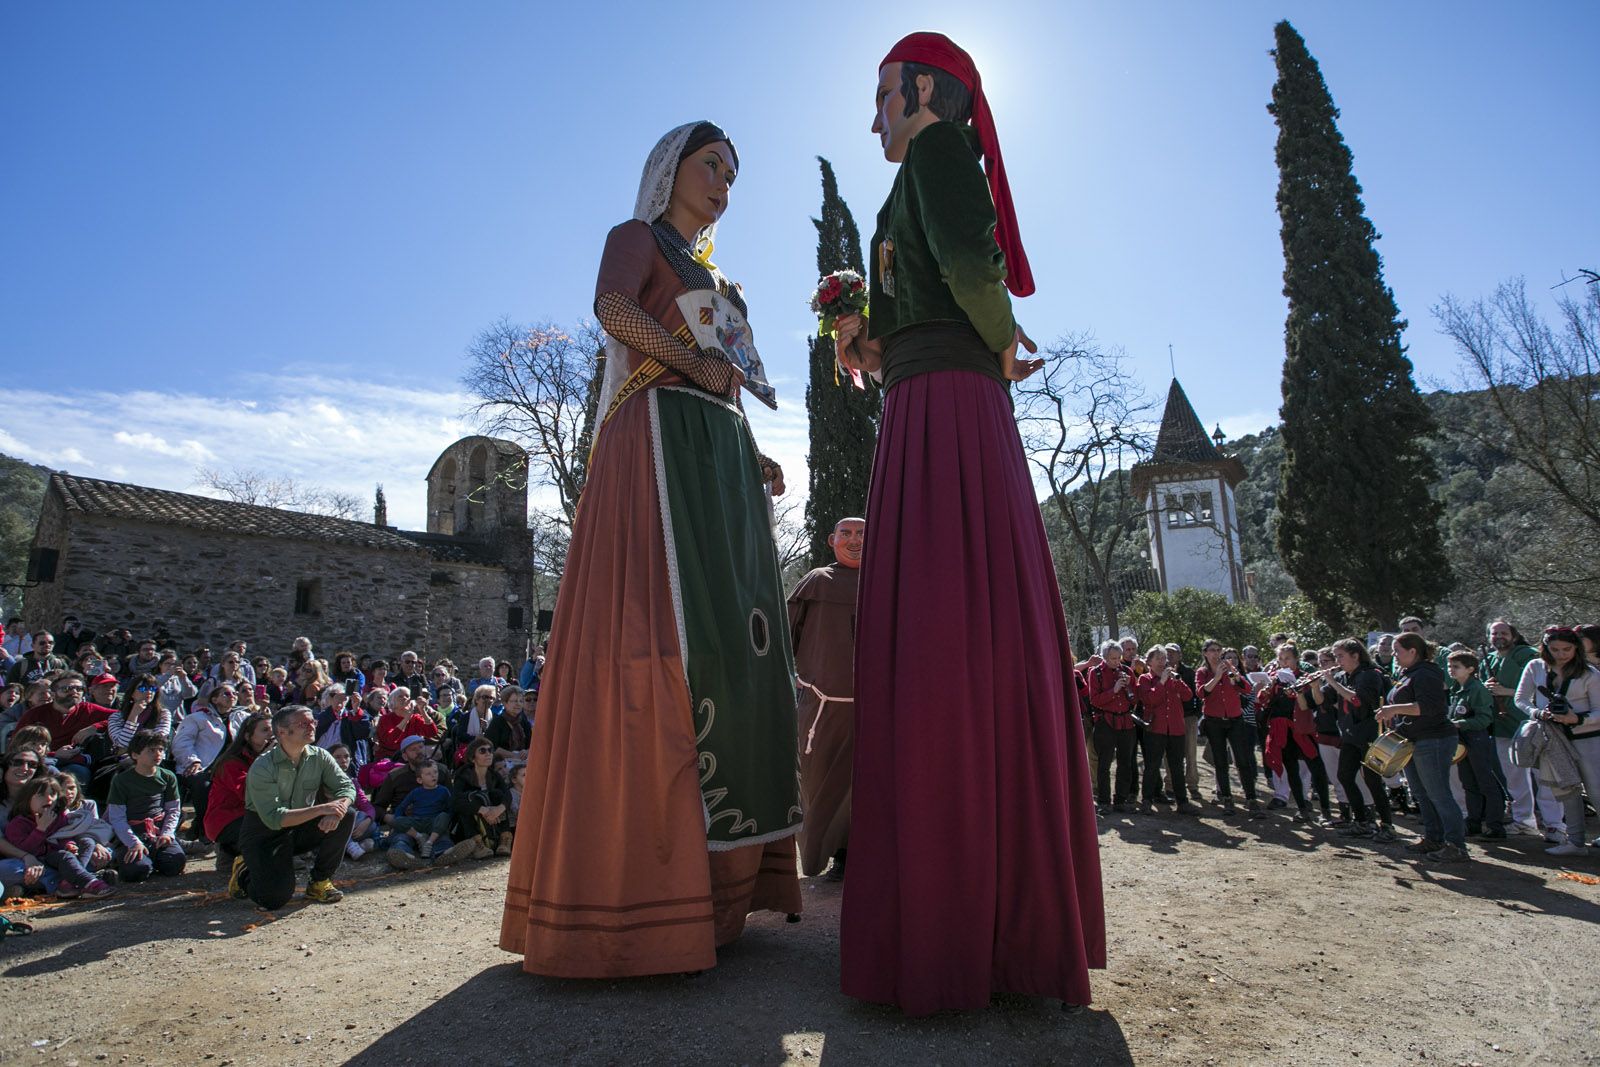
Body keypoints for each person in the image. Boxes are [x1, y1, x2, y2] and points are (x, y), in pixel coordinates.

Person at [831, 35, 1104, 1014]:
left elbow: (965, 262)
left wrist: (1001, 343)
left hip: (947, 406)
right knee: (952, 637)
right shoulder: (904, 183)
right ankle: (982, 913)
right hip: (923, 400)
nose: (873, 117)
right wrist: (866, 339)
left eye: (881, 97)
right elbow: (929, 282)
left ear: (925, 93)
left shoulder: (942, 153)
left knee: (944, 642)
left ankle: (963, 924)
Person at [500, 119, 803, 981]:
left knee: (731, 654)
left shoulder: (726, 279)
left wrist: (753, 447)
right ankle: (641, 895)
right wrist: (683, 359)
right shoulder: (635, 238)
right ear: (671, 167)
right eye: (714, 165)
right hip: (657, 440)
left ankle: (727, 886)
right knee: (665, 644)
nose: (725, 184)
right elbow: (609, 309)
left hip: (718, 455)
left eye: (735, 173)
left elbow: (732, 379)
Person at [787, 516, 864, 879]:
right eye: (845, 533)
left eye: (862, 533)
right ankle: (825, 854)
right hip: (821, 708)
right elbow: (786, 635)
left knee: (867, 784)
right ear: (831, 540)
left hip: (874, 711)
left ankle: (855, 857)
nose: (854, 540)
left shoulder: (886, 581)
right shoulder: (816, 581)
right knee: (818, 783)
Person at [237, 705, 355, 907]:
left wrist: (337, 809)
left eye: (312, 722)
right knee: (273, 899)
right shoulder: (263, 766)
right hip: (265, 832)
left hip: (300, 826)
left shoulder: (320, 756)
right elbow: (274, 818)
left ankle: (319, 881)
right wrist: (322, 809)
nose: (311, 727)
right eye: (303, 723)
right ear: (282, 732)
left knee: (347, 814)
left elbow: (346, 787)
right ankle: (244, 873)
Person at [1376, 633, 1465, 863]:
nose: (1394, 655)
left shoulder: (1426, 673)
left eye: (1397, 651)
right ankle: (1434, 838)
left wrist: (1393, 709)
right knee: (1421, 793)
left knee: (1439, 794)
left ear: (1413, 651)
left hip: (1433, 739)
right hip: (1414, 740)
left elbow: (1430, 707)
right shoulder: (1409, 673)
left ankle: (1456, 845)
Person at [1514, 626, 1600, 856]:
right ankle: (1575, 842)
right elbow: (1520, 699)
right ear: (1545, 648)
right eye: (1554, 649)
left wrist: (1576, 718)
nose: (1561, 654)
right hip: (1552, 739)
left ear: (1577, 648)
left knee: (1596, 790)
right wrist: (1538, 713)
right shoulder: (1535, 667)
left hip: (1588, 740)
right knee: (1566, 790)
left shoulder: (1589, 674)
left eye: (1567, 649)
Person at [1480, 620, 1553, 838]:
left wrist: (1507, 691)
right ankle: (1524, 821)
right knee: (1514, 777)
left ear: (1513, 634)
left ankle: (1553, 824)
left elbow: (1539, 686)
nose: (1499, 636)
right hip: (1502, 726)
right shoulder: (1489, 659)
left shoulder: (1526, 654)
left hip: (1528, 724)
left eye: (1503, 632)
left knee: (1543, 776)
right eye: (1494, 633)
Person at [3, 776, 115, 898]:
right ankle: (89, 881)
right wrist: (40, 829)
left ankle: (69, 884)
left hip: (63, 858)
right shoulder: (18, 823)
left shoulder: (59, 816)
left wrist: (69, 844)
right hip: (37, 861)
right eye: (41, 795)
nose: (48, 799)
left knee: (93, 847)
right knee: (8, 868)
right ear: (27, 798)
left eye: (53, 794)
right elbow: (26, 850)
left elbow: (65, 834)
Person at [106, 729, 187, 881]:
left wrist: (167, 833)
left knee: (175, 863)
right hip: (133, 832)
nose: (158, 754)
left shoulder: (167, 777)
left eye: (161, 750)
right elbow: (117, 817)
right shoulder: (122, 780)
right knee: (136, 871)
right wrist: (133, 843)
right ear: (135, 755)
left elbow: (173, 810)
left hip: (157, 831)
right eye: (151, 751)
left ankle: (157, 855)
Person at [1445, 650, 1508, 839]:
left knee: (1487, 783)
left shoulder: (1477, 689)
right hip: (1462, 741)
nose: (1451, 670)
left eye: (1456, 666)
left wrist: (1459, 723)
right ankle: (1474, 821)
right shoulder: (1457, 688)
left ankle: (1495, 825)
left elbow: (1484, 718)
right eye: (1450, 666)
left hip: (1477, 739)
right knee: (1468, 782)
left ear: (1471, 669)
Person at [1196, 640, 1261, 815]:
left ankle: (1251, 798)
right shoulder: (1203, 672)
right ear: (1205, 653)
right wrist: (1217, 676)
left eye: (1219, 650)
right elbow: (1202, 693)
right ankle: (1226, 797)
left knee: (1243, 759)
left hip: (1235, 719)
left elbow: (1247, 689)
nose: (1216, 653)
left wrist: (1236, 677)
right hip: (1214, 720)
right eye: (1212, 650)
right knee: (1220, 761)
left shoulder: (1230, 668)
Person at [16, 672, 113, 786]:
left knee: (79, 773)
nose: (74, 692)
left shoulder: (90, 710)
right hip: (41, 761)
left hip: (74, 763)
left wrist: (95, 727)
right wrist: (54, 754)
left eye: (79, 689)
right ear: (53, 693)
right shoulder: (34, 715)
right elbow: (16, 747)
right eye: (67, 688)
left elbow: (123, 716)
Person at [205, 711, 272, 869]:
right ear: (248, 737)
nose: (271, 735)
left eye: (274, 730)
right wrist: (263, 761)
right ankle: (229, 851)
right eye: (265, 730)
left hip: (254, 814)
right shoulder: (231, 763)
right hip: (227, 819)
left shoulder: (275, 759)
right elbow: (248, 794)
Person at [1136, 646, 1195, 814]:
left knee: (1177, 767)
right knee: (1152, 765)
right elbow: (1150, 700)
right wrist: (1161, 682)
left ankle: (1182, 801)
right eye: (1159, 659)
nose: (1163, 662)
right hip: (1156, 729)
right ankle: (1147, 800)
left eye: (1164, 659)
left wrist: (1177, 681)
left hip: (1176, 728)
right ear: (1149, 662)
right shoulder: (1145, 679)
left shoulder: (1173, 678)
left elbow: (1188, 696)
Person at [1087, 642, 1138, 813]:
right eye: (1113, 659)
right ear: (1104, 657)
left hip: (1125, 722)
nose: (1117, 662)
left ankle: (1120, 800)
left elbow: (1134, 700)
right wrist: (1114, 690)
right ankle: (1104, 801)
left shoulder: (1127, 671)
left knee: (1126, 763)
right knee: (1104, 764)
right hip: (1105, 722)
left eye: (1118, 658)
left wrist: (1130, 686)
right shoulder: (1096, 673)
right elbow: (1094, 700)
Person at [452, 736, 511, 858]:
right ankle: (477, 844)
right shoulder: (463, 775)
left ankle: (504, 840)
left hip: (494, 820)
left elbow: (507, 795)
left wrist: (498, 809)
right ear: (473, 758)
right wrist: (482, 810)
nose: (488, 754)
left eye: (490, 750)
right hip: (471, 822)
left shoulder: (494, 775)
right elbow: (455, 801)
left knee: (498, 795)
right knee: (469, 799)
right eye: (482, 751)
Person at [391, 760, 452, 860]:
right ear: (420, 780)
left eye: (435, 772)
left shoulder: (443, 791)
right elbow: (402, 807)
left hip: (433, 822)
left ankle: (430, 843)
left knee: (444, 816)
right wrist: (397, 820)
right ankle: (420, 837)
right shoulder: (416, 792)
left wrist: (446, 823)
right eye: (428, 774)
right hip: (417, 822)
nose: (433, 776)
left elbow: (450, 808)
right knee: (397, 820)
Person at [375, 688, 440, 761]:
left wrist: (423, 711)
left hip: (413, 757)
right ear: (393, 702)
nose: (404, 698)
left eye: (407, 696)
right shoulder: (385, 719)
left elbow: (432, 732)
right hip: (390, 758)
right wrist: (406, 719)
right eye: (400, 696)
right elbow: (391, 740)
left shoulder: (415, 718)